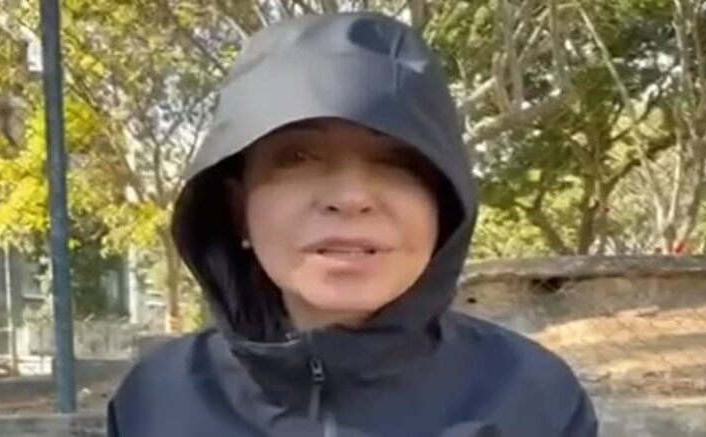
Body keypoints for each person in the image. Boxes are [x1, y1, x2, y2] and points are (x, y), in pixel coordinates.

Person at [107, 12, 598, 437]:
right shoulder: (157, 400)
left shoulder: (534, 398)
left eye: (399, 162)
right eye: (298, 157)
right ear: (237, 208)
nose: (351, 198)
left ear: (443, 202)